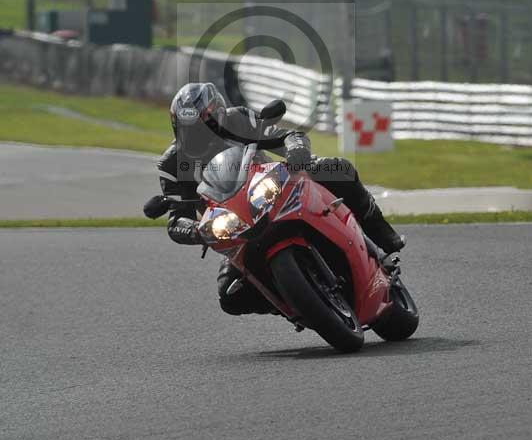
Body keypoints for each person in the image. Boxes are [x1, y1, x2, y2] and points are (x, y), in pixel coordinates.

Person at [143, 82, 404, 316]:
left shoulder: (239, 120)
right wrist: (197, 231)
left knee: (339, 170)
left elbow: (287, 135)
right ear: (177, 126)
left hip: (274, 189)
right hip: (236, 226)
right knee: (229, 296)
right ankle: (293, 301)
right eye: (190, 129)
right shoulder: (172, 162)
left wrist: (297, 150)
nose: (199, 135)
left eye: (204, 126)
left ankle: (382, 236)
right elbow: (176, 218)